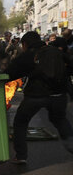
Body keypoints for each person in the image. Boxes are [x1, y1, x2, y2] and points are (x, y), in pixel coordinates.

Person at [4, 31, 73, 164]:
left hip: (36, 96)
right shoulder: (56, 52)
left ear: (25, 44)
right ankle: (71, 145)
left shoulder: (28, 55)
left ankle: (21, 156)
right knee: (60, 120)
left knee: (21, 122)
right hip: (58, 95)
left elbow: (10, 73)